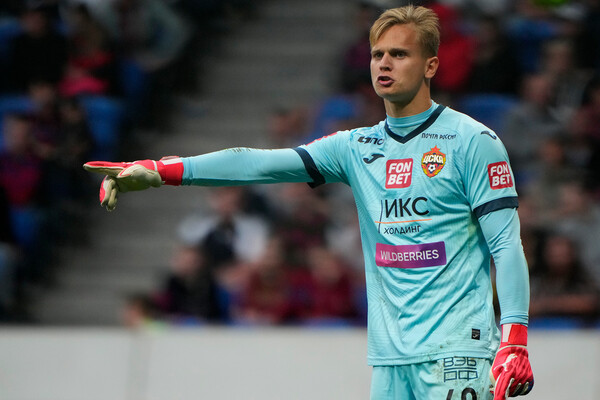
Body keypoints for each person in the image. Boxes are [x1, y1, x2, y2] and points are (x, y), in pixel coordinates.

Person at [84, 6, 533, 399]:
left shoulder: (472, 141)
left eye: (399, 54)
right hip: (390, 358)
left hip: (457, 351)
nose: (384, 63)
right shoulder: (357, 147)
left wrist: (514, 339)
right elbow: (257, 164)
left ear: (431, 65)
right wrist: (162, 170)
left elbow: (506, 246)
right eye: (377, 54)